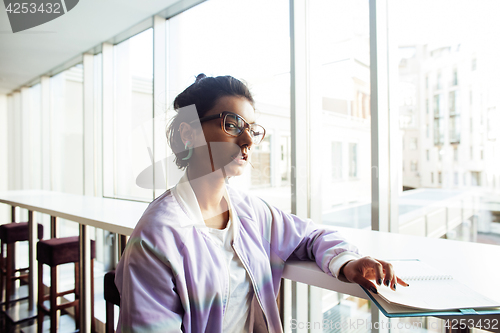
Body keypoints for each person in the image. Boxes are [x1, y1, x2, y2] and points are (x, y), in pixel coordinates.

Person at [115, 74, 407, 333]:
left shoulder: (250, 212)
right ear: (189, 133)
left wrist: (347, 262)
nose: (247, 140)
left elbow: (311, 235)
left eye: (252, 129)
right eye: (232, 124)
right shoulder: (157, 237)